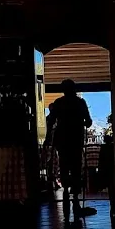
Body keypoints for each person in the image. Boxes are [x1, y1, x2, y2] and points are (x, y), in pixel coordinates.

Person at [44, 79, 91, 215]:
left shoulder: (59, 103)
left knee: (64, 165)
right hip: (76, 139)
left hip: (62, 140)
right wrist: (82, 122)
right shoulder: (80, 102)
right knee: (76, 167)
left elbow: (51, 121)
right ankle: (75, 195)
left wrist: (48, 138)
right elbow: (88, 122)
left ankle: (65, 189)